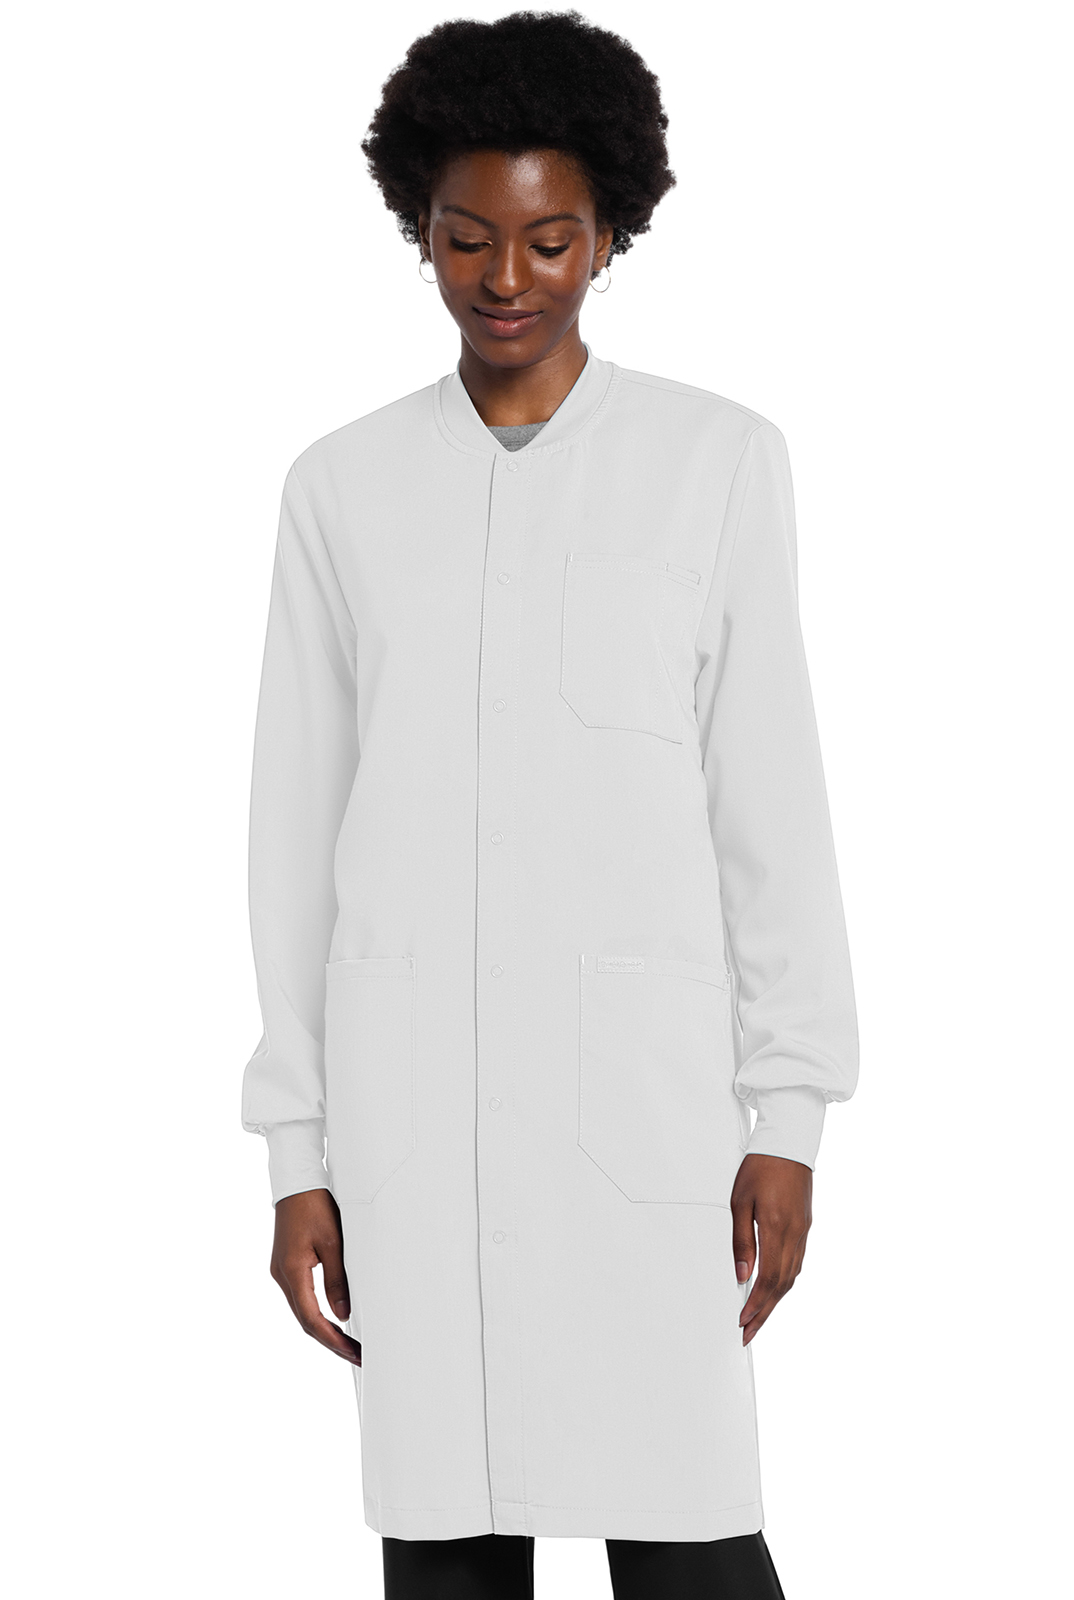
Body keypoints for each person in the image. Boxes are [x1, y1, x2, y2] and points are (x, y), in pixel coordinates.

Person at [241, 11, 859, 1599]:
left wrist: (788, 1115)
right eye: (466, 239)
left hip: (643, 1125)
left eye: (550, 240)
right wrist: (297, 1148)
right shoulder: (341, 490)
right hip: (416, 1129)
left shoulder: (715, 465)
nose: (506, 278)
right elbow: (296, 839)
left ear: (611, 234)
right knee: (447, 1560)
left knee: (694, 1549)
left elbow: (770, 810)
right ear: (419, 230)